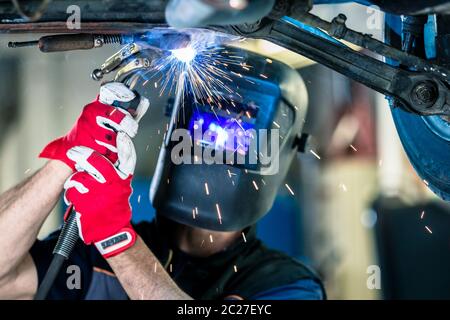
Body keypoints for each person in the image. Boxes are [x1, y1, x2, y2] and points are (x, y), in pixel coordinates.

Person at [0, 53, 325, 300]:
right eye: (202, 125)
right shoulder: (90, 253)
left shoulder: (286, 284)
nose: (213, 141)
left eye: (236, 132)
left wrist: (117, 239)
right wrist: (70, 155)